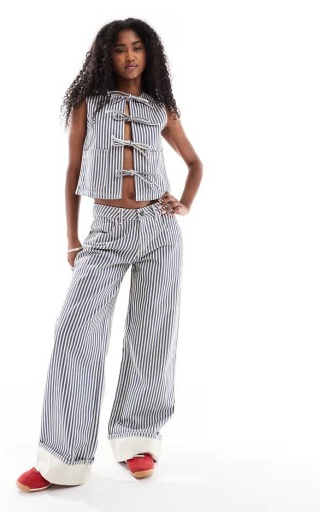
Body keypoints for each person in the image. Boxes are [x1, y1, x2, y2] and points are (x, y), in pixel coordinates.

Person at [16, 17, 203, 492]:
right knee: (75, 332)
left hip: (159, 231)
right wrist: (72, 239)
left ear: (149, 53)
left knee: (153, 332)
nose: (129, 56)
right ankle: (62, 459)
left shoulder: (160, 107)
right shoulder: (89, 103)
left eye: (137, 47)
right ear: (107, 56)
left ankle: (137, 439)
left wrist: (183, 204)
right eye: (120, 49)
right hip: (106, 230)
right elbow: (73, 169)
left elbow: (195, 162)